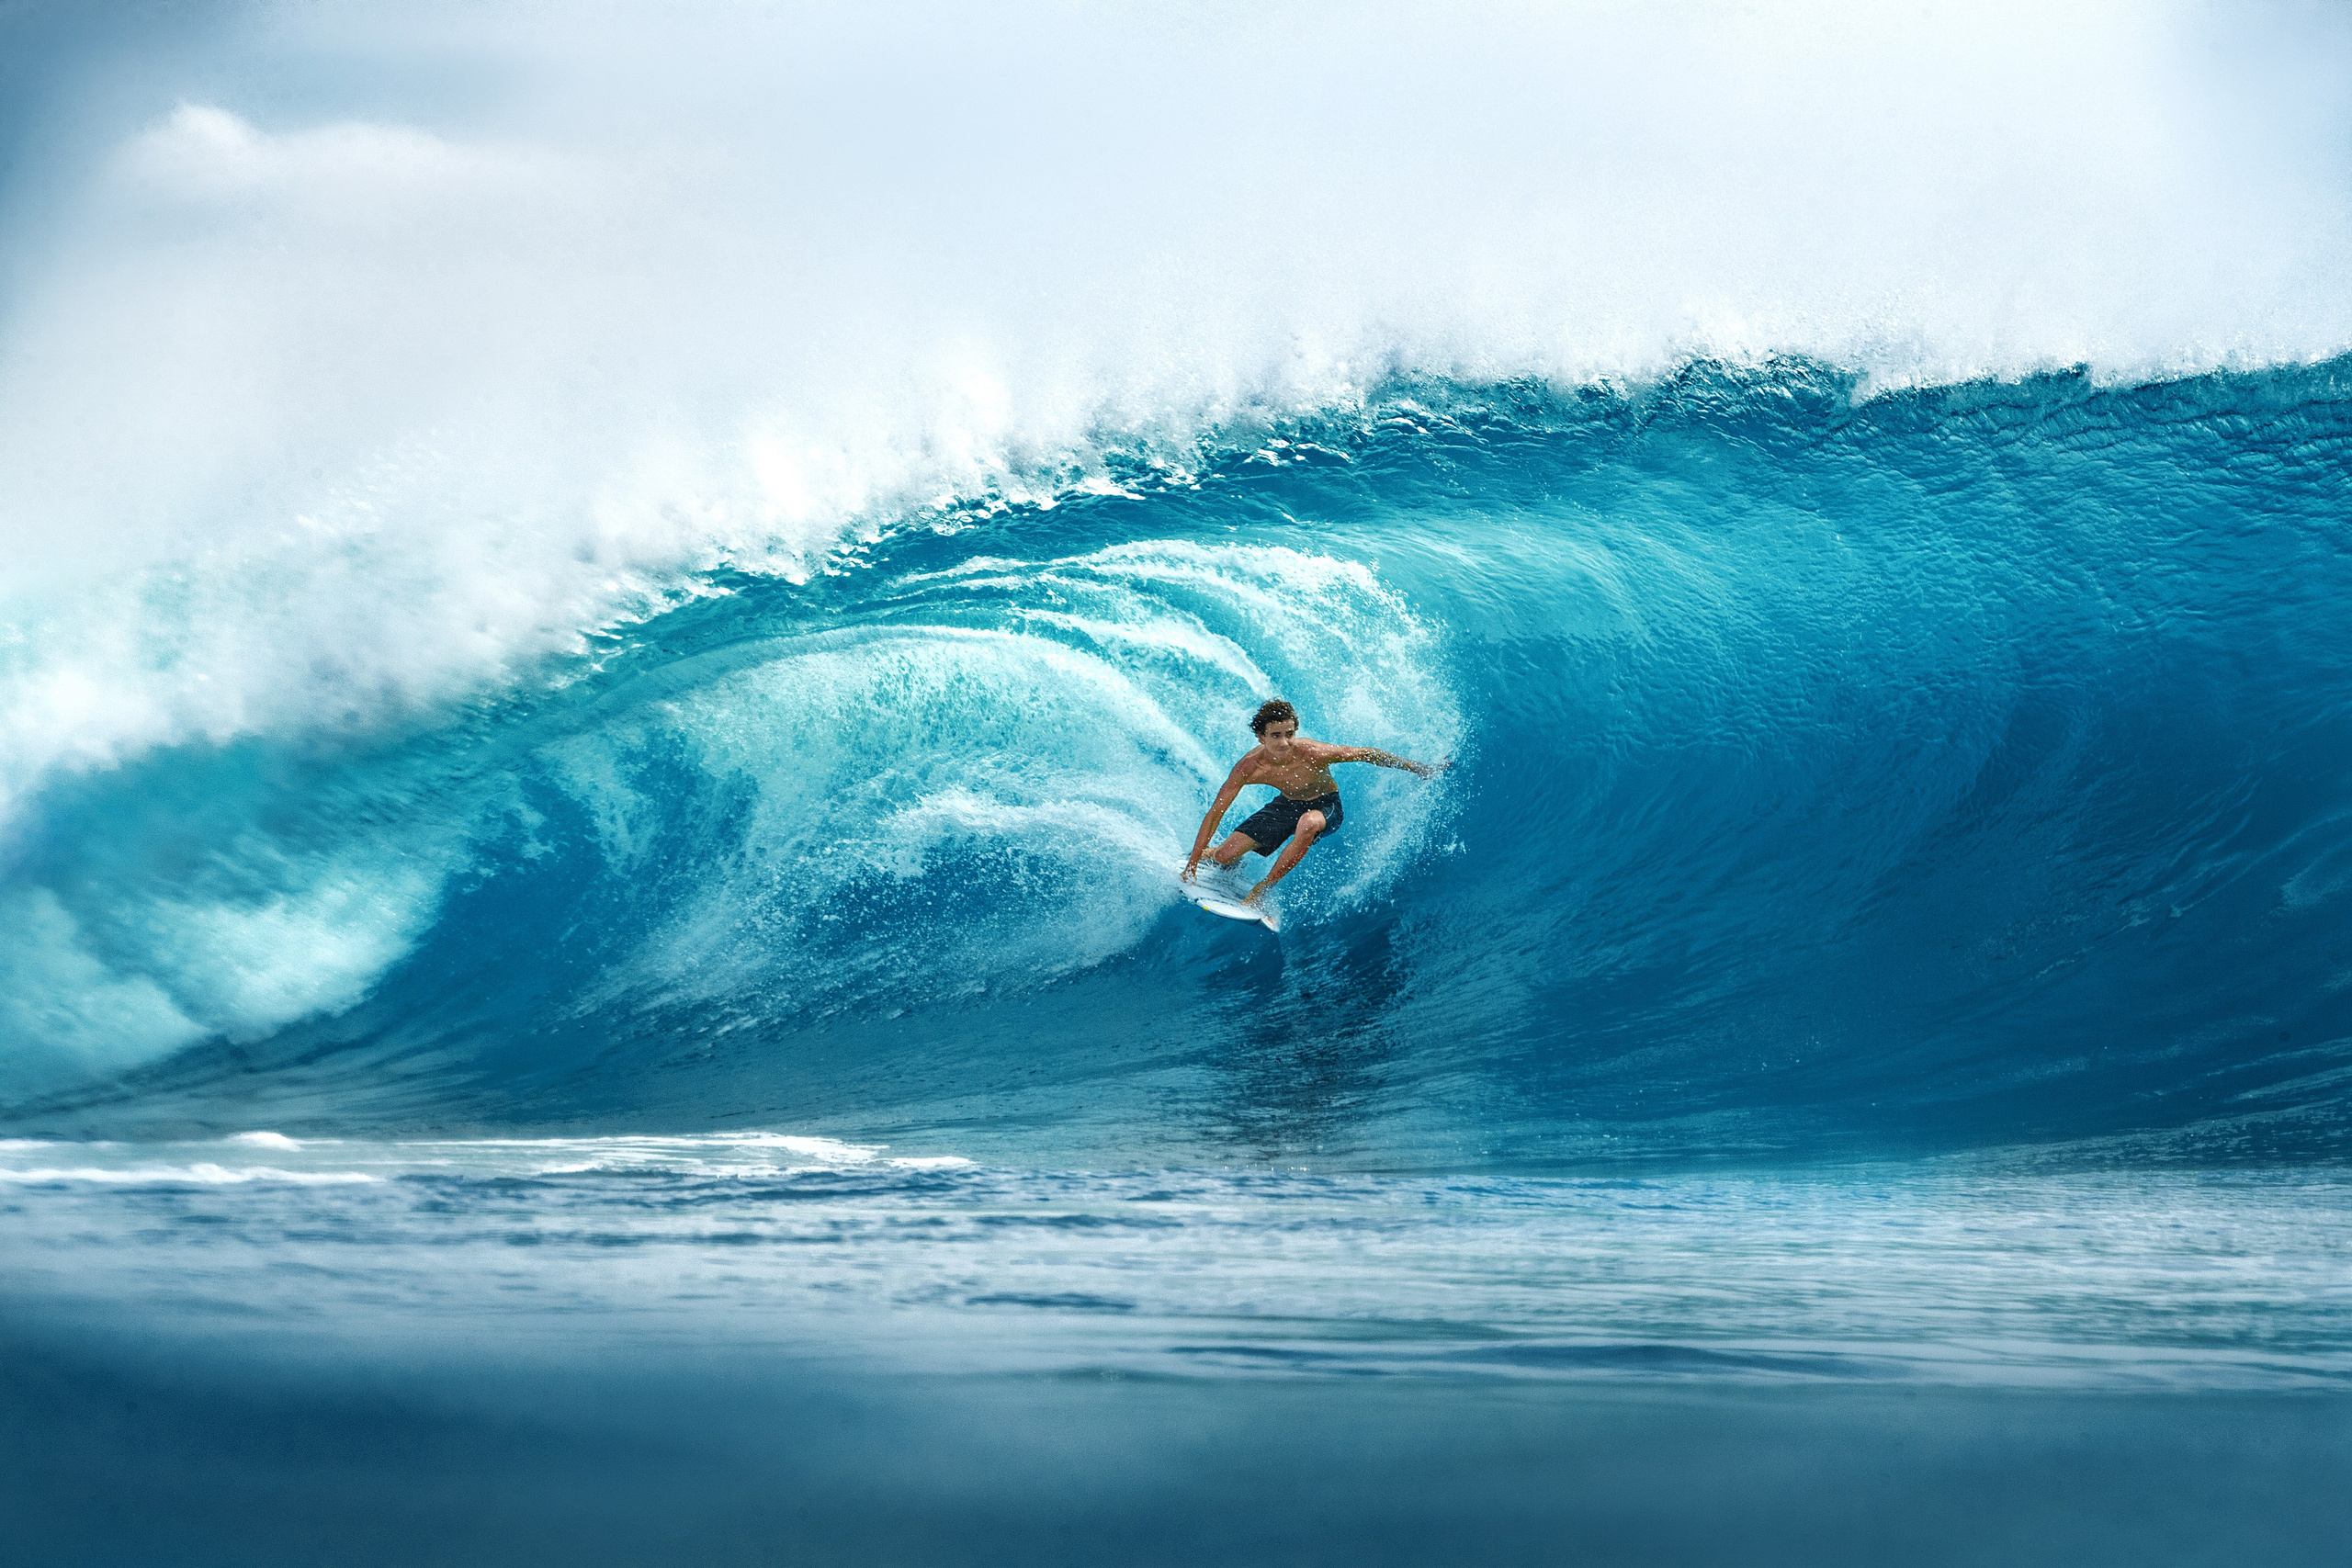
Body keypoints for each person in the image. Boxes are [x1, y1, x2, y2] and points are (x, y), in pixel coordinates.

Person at [1182, 698, 1447, 905]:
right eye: (1276, 736)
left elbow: (1366, 754)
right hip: (1286, 804)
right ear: (1261, 737)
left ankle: (1262, 890)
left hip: (1325, 806)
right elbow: (1216, 812)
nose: (1285, 742)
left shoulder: (1312, 753)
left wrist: (1420, 769)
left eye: (1289, 733)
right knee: (1224, 856)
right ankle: (1214, 853)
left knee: (1308, 823)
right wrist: (1192, 863)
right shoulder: (1249, 767)